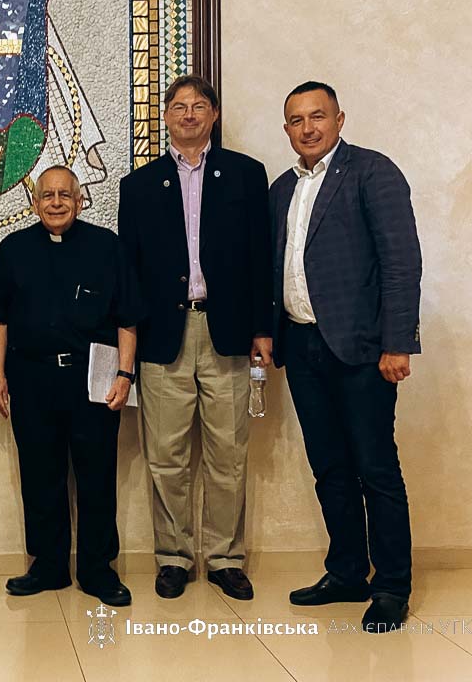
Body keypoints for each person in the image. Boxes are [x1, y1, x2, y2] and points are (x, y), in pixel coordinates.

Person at [270, 82, 421, 633]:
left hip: (361, 349)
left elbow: (402, 262)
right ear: (286, 129)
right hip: (302, 344)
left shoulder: (372, 172)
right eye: (296, 120)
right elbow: (276, 267)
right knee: (329, 467)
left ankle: (391, 586)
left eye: (318, 116)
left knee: (375, 468)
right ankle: (347, 572)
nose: (307, 128)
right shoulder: (282, 188)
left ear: (339, 119)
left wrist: (397, 342)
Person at [119, 75, 272, 602]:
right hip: (164, 335)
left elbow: (261, 259)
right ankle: (174, 558)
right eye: (179, 106)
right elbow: (130, 271)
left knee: (228, 453)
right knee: (166, 454)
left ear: (214, 114)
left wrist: (262, 328)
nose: (189, 114)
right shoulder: (139, 185)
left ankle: (226, 558)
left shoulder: (247, 175)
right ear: (166, 116)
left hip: (227, 331)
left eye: (199, 105)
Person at [0, 166, 142, 607]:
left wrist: (125, 375)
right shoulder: (13, 249)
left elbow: (127, 318)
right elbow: (0, 320)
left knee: (96, 475)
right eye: (47, 195)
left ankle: (97, 569)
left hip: (93, 378)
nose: (55, 203)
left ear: (79, 201)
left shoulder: (107, 247)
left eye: (64, 195)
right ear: (34, 203)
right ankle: (48, 566)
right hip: (31, 378)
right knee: (40, 474)